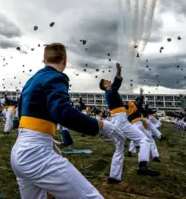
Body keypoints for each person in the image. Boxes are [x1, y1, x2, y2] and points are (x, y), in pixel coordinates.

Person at [11, 43, 124, 199]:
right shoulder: (55, 77)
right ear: (64, 59)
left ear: (44, 60)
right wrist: (98, 124)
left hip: (20, 148)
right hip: (35, 152)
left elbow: (21, 111)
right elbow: (63, 112)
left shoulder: (32, 80)